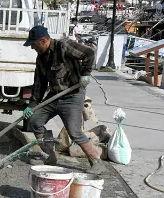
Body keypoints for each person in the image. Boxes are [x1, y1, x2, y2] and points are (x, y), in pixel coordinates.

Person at [22, 25, 103, 170]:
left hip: (72, 95)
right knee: (34, 121)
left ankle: (96, 161)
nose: (32, 47)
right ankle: (49, 156)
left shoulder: (63, 46)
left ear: (42, 41)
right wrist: (32, 104)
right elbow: (39, 84)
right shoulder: (41, 58)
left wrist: (85, 73)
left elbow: (89, 53)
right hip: (55, 96)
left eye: (33, 44)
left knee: (74, 132)